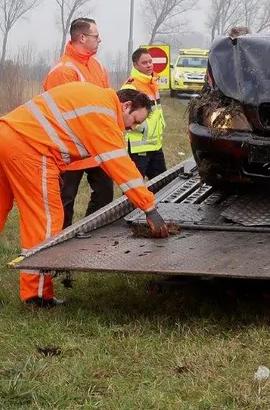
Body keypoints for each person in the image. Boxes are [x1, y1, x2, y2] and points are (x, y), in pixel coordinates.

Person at [0, 83, 170, 307]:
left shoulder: (95, 99)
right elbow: (121, 168)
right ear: (126, 106)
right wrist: (149, 208)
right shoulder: (104, 115)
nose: (132, 128)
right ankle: (37, 295)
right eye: (135, 121)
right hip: (31, 150)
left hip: (6, 134)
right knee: (46, 220)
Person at [42, 17, 115, 229]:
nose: (100, 40)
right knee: (65, 201)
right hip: (68, 150)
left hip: (95, 146)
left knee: (105, 195)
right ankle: (61, 241)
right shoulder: (64, 70)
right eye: (96, 36)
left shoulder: (98, 67)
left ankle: (89, 233)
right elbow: (64, 114)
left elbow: (106, 102)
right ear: (82, 38)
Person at [121, 47, 167, 180]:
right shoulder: (131, 85)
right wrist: (143, 128)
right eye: (144, 63)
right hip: (139, 146)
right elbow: (125, 115)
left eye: (150, 62)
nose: (149, 65)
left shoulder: (152, 83)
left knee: (163, 183)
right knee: (136, 185)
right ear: (135, 65)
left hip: (155, 144)